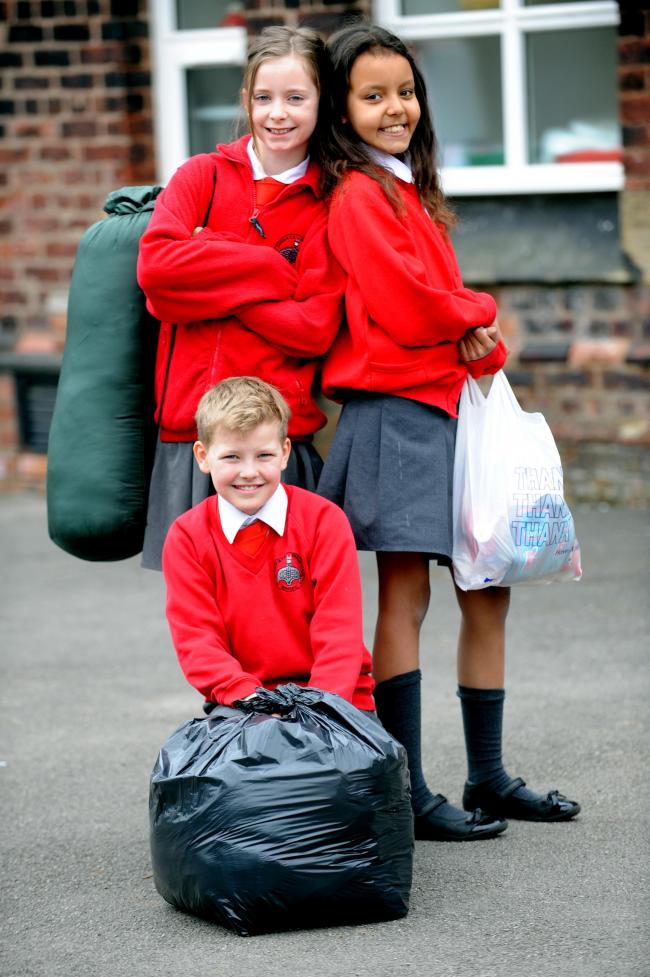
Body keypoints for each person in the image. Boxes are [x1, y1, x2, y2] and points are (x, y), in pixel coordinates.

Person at [317, 24, 580, 840]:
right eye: (374, 94)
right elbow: (414, 307)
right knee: (407, 592)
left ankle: (489, 777)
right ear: (343, 108)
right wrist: (481, 312)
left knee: (486, 588)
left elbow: (449, 319)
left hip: (449, 404)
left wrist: (477, 333)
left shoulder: (407, 186)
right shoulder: (359, 193)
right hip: (395, 413)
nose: (397, 107)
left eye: (406, 91)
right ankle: (408, 792)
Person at [137, 26, 345, 570]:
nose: (278, 113)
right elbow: (157, 274)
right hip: (194, 440)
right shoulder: (200, 176)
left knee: (286, 611)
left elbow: (314, 328)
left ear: (323, 103)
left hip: (277, 445)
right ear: (246, 101)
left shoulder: (329, 205)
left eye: (296, 98)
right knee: (201, 613)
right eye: (264, 98)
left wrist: (209, 276)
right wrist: (268, 267)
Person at [162, 376, 375, 712]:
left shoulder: (323, 521)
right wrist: (251, 698)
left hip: (335, 700)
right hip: (242, 703)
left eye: (263, 455)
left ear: (284, 453)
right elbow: (198, 641)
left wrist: (316, 708)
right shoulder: (186, 537)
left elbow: (339, 632)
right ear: (203, 457)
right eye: (232, 457)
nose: (249, 472)